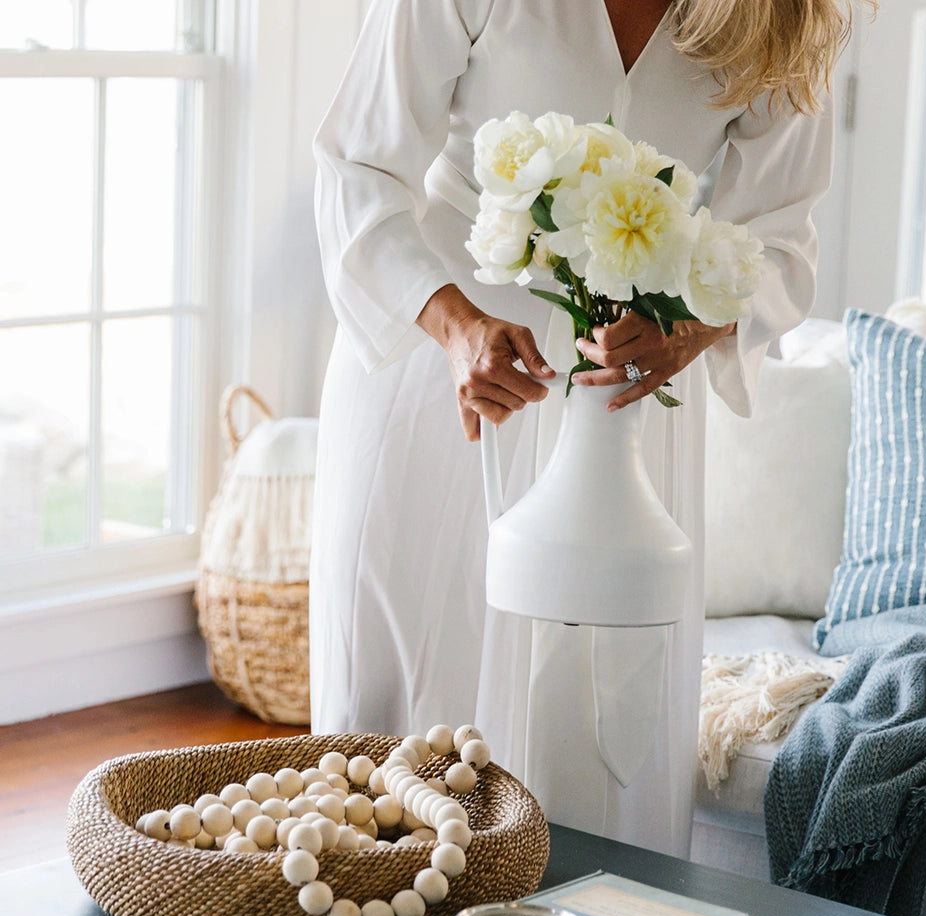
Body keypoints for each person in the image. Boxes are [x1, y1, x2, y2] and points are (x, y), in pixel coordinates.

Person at [310, 0, 864, 857]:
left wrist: (694, 328)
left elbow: (782, 241)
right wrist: (455, 326)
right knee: (389, 755)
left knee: (594, 765)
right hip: (435, 368)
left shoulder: (782, 13)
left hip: (626, 406)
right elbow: (356, 164)